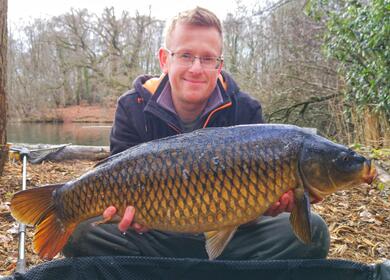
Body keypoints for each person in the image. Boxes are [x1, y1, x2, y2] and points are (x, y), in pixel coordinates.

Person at [63, 7, 329, 260]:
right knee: (79, 234)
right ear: (165, 59)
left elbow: (261, 206)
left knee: (312, 232)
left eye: (208, 58)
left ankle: (176, 269)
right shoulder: (133, 106)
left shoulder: (246, 109)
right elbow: (116, 177)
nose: (196, 68)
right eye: (186, 55)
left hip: (233, 232)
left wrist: (271, 205)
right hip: (156, 232)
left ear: (219, 64)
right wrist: (127, 216)